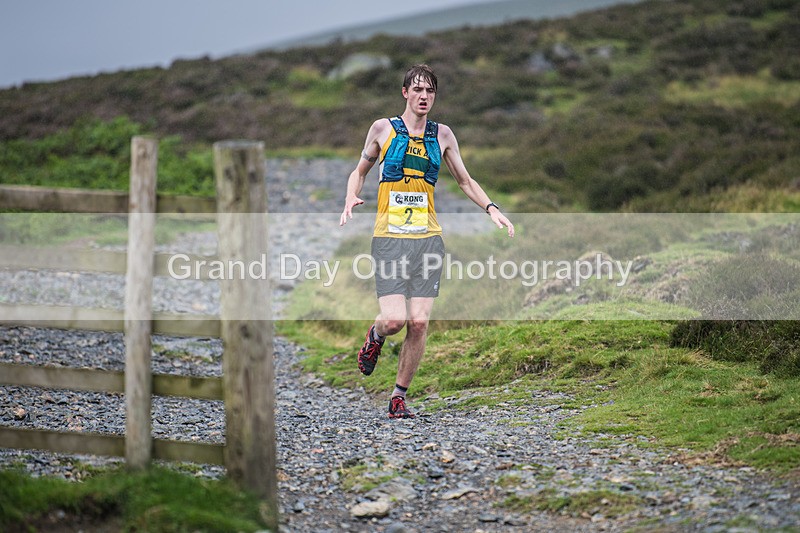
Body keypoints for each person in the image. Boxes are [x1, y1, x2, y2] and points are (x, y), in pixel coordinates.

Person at [339, 64, 514, 419]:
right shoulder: (382, 129)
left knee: (419, 322)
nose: (423, 97)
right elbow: (359, 172)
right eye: (417, 90)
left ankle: (398, 397)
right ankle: (375, 335)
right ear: (405, 92)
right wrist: (350, 198)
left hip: (428, 239)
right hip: (389, 238)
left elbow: (465, 180)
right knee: (394, 322)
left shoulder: (443, 135)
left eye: (430, 91)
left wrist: (492, 208)